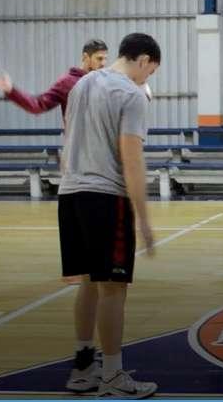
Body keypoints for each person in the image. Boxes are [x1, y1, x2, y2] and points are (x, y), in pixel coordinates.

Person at [58, 33, 160, 398]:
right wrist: (144, 219)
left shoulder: (81, 85)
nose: (148, 79)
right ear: (144, 60)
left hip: (70, 193)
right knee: (113, 288)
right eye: (151, 71)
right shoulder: (131, 94)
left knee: (88, 282)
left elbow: (68, 139)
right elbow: (132, 160)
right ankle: (114, 376)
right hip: (105, 197)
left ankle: (83, 369)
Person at [0, 39, 109, 121]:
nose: (103, 63)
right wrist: (11, 91)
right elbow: (38, 105)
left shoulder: (104, 82)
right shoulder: (67, 83)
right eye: (99, 59)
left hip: (103, 146)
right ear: (85, 57)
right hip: (78, 146)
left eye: (105, 59)